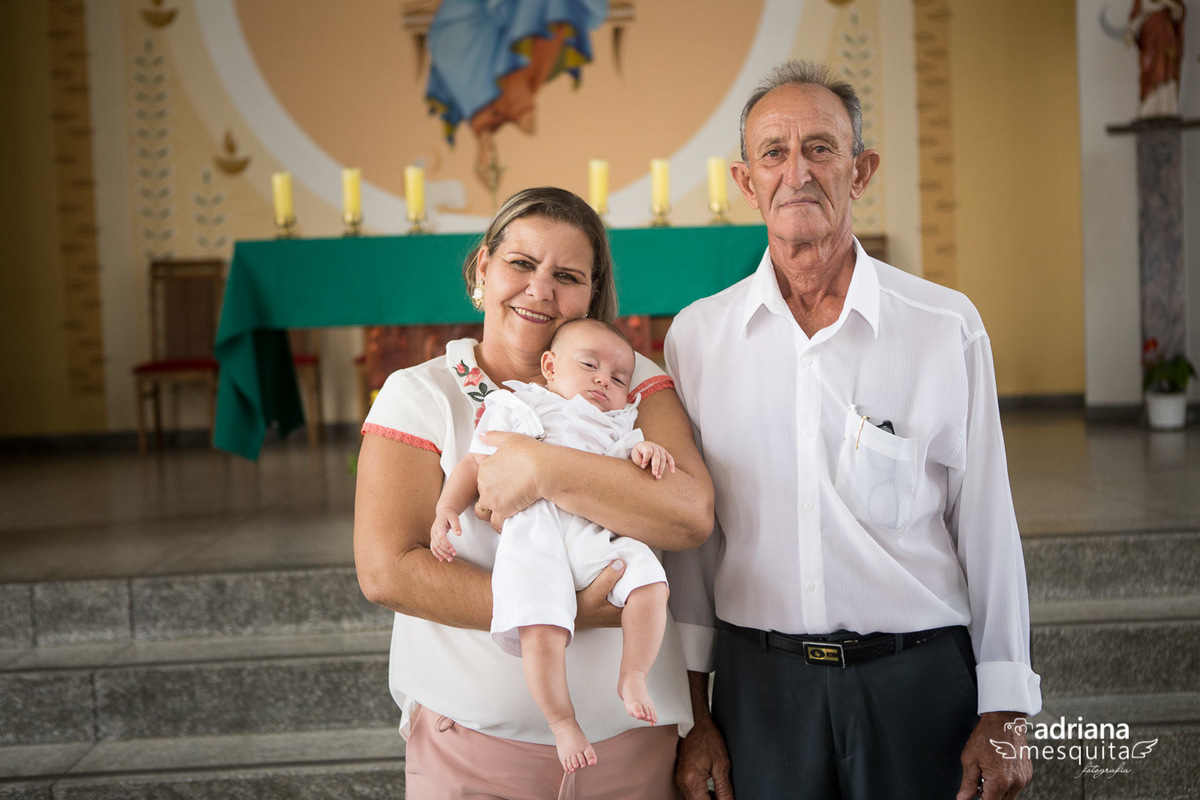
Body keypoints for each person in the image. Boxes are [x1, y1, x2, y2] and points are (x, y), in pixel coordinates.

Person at [664, 61, 1041, 800]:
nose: (796, 171)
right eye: (773, 152)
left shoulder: (944, 328)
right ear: (746, 182)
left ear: (860, 171)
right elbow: (694, 546)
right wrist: (692, 714)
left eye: (820, 149)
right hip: (760, 692)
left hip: (916, 686)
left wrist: (1005, 708)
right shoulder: (699, 337)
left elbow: (988, 524)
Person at [354, 186, 713, 799]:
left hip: (631, 747)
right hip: (471, 752)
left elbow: (689, 516)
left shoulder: (629, 382)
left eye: (567, 276)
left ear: (590, 295)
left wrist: (539, 468)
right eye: (521, 264)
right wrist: (575, 608)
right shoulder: (420, 393)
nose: (541, 289)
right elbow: (389, 572)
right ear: (482, 268)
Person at [430, 318, 674, 774]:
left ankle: (634, 674)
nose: (605, 379)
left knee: (649, 581)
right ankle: (562, 722)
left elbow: (635, 473)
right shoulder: (520, 404)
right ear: (550, 366)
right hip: (533, 534)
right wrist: (447, 509)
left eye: (620, 378)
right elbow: (474, 461)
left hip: (593, 530)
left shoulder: (620, 422)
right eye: (589, 365)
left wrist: (650, 454)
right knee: (538, 625)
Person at [1127, 0, 1186, 117]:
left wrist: (1169, 3)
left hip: (1165, 39)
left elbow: (1178, 14)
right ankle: (1148, 108)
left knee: (1167, 70)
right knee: (1148, 72)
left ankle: (1168, 108)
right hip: (1148, 41)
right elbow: (1136, 17)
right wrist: (1131, 32)